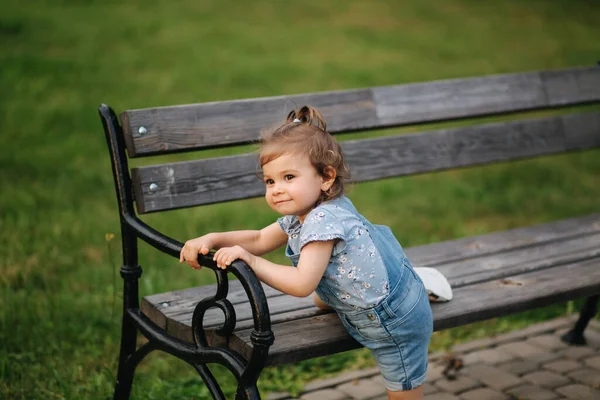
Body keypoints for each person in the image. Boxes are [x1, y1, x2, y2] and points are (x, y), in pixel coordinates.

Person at [180, 105, 433, 400]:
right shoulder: (305, 210)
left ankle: (415, 292)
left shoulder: (324, 220)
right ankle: (408, 286)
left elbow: (301, 283)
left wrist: (249, 260)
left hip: (394, 322)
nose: (276, 189)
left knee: (403, 388)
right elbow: (260, 238)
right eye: (270, 181)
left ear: (326, 177)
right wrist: (213, 238)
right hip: (371, 290)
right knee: (323, 291)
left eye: (289, 177)